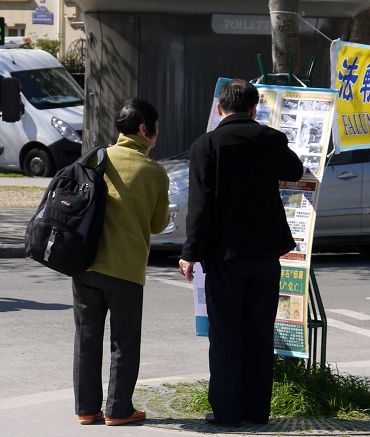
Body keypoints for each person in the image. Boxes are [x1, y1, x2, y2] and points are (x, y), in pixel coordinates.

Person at [179, 79, 303, 426]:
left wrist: (190, 252)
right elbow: (294, 170)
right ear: (253, 108)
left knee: (225, 335)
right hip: (265, 255)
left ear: (220, 108)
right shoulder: (271, 140)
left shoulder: (207, 145)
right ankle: (257, 410)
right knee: (260, 334)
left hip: (224, 256)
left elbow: (200, 205)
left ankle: (227, 411)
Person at [72, 99, 169, 426]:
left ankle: (87, 410)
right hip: (125, 270)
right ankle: (118, 409)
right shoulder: (153, 171)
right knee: (123, 341)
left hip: (85, 266)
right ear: (144, 130)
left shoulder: (98, 157)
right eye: (154, 128)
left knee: (86, 338)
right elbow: (157, 225)